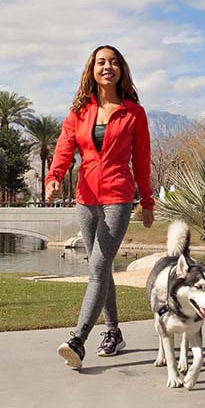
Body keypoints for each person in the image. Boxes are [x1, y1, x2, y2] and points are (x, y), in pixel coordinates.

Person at [46, 44, 154, 369]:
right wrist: (54, 177)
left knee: (96, 268)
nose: (107, 67)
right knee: (102, 269)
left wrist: (146, 201)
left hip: (118, 198)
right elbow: (64, 149)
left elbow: (143, 161)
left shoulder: (134, 113)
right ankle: (113, 332)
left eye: (114, 62)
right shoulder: (79, 111)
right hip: (85, 199)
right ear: (91, 70)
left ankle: (77, 339)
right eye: (101, 62)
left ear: (122, 70)